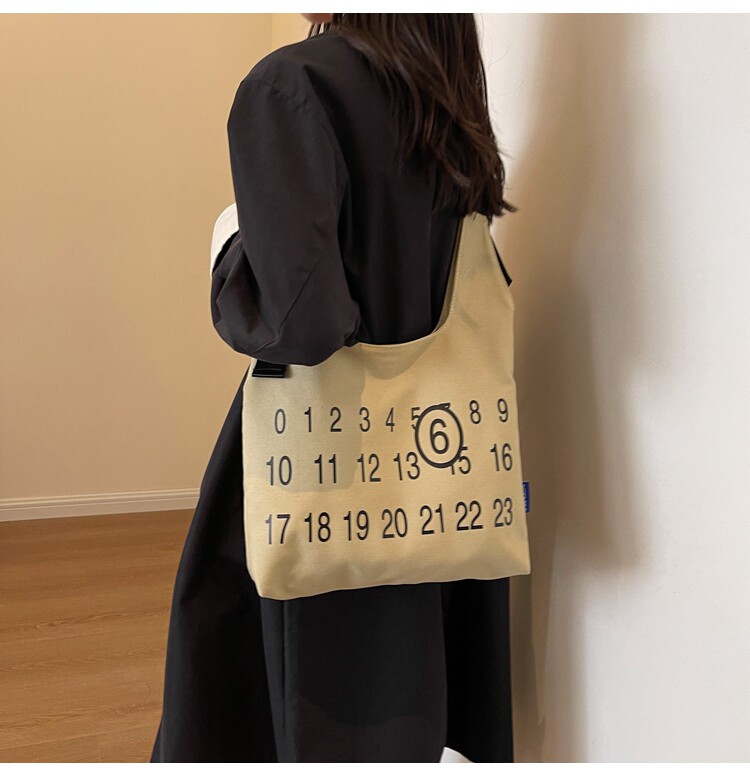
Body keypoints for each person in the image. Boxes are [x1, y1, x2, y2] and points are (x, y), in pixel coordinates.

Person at [149, 12, 517, 763]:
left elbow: (299, 322)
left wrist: (231, 243)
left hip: (321, 461)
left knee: (286, 698)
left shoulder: (292, 84)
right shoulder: (443, 95)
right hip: (434, 468)